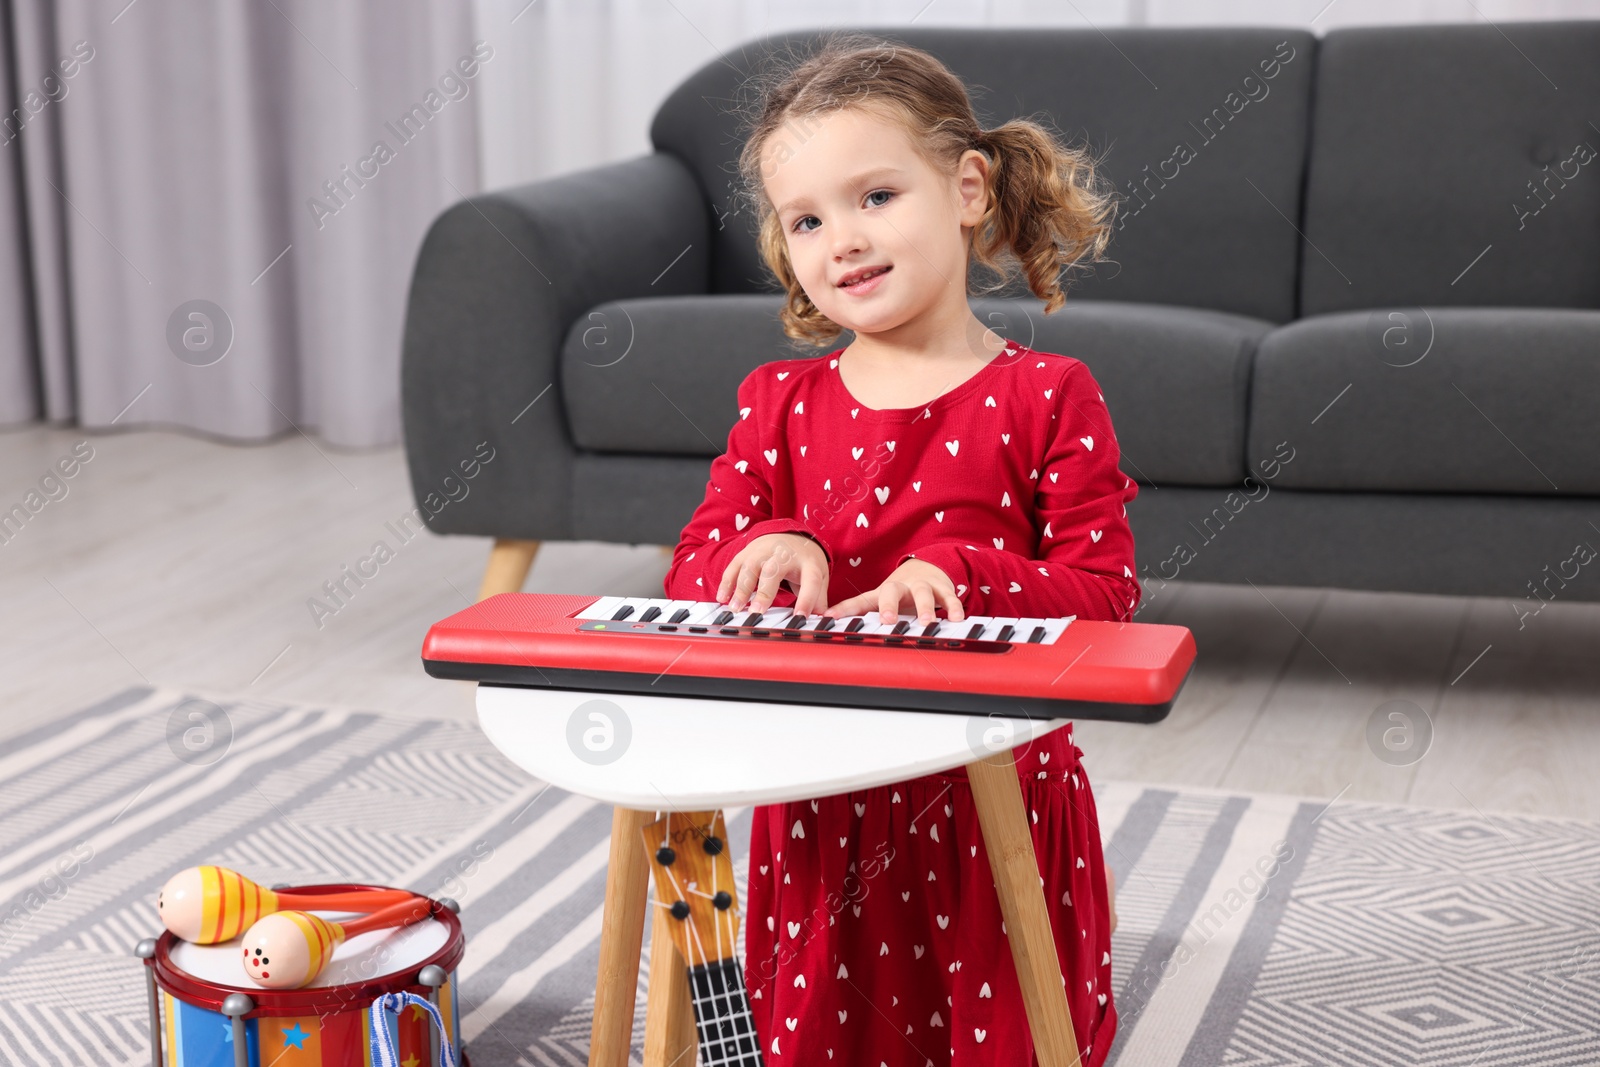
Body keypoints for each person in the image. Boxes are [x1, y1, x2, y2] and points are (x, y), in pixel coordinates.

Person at [662, 31, 1136, 1066]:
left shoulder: (1049, 395)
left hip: (992, 800)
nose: (843, 238)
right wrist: (777, 541)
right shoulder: (777, 403)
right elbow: (691, 570)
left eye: (876, 196)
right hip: (822, 809)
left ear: (966, 188)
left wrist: (961, 574)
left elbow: (1105, 598)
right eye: (808, 218)